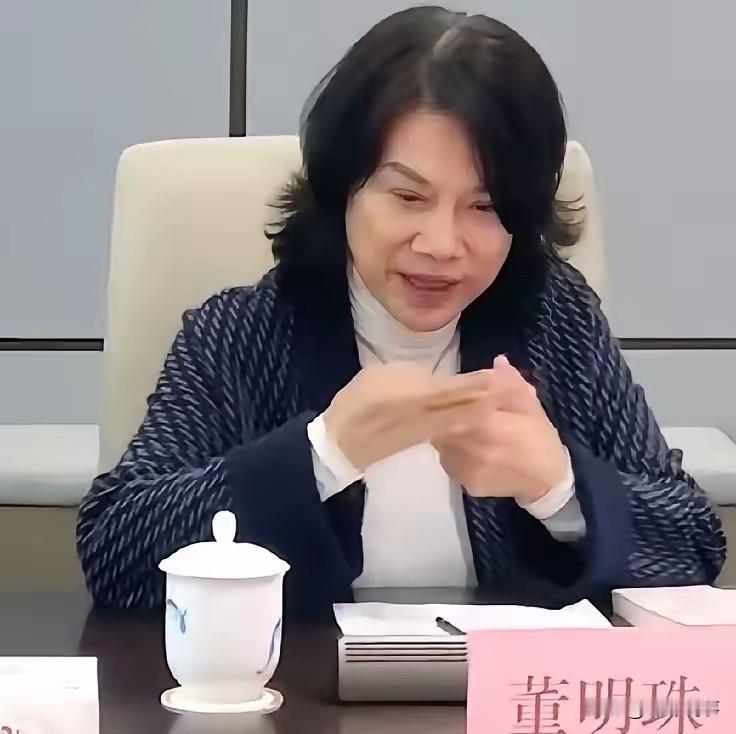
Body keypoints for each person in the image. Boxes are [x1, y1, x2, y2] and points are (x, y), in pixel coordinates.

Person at [77, 7, 725, 617]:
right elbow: (115, 549)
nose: (442, 244)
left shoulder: (556, 324)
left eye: (485, 207)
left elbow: (695, 543)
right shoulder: (241, 336)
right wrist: (323, 454)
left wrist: (560, 488)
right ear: (343, 189)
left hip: (501, 690)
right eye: (408, 197)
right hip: (300, 690)